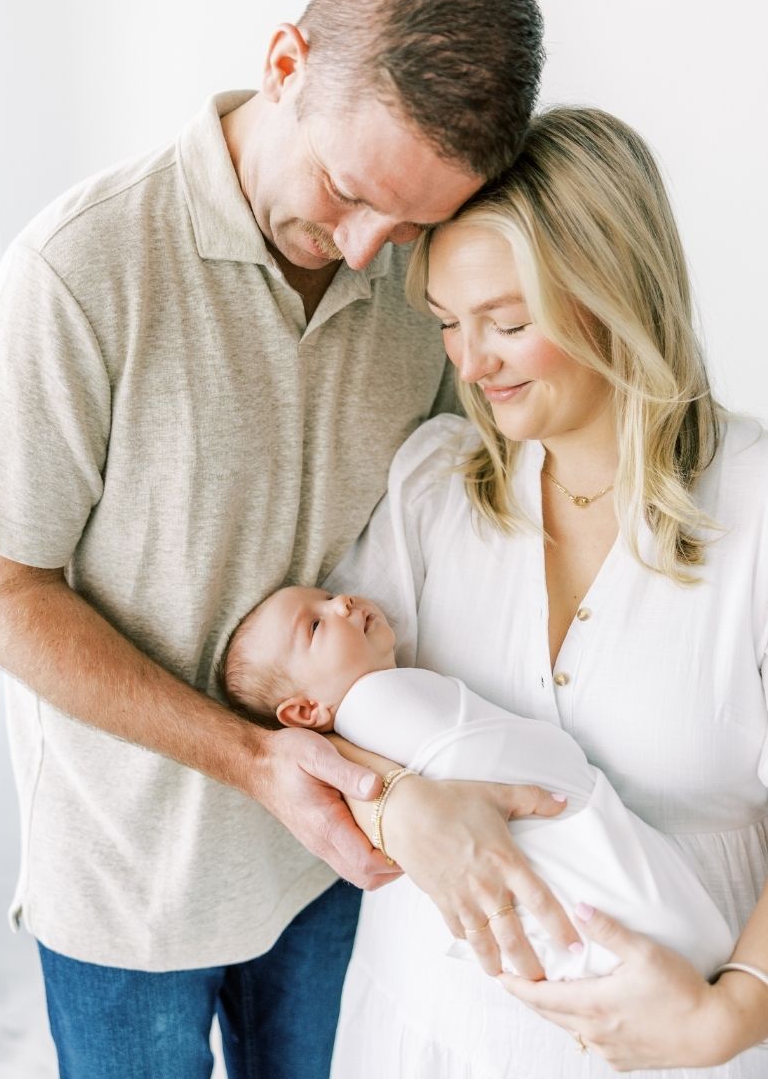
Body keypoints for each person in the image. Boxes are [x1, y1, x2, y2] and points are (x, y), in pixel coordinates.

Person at [0, 0, 557, 1078]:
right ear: (283, 65)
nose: (365, 252)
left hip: (335, 866)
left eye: (411, 222)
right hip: (128, 895)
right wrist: (250, 761)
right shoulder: (78, 273)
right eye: (345, 194)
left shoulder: (415, 279)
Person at [324, 106, 768, 1075]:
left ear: (615, 296)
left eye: (506, 323)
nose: (465, 362)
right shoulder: (433, 483)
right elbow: (319, 715)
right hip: (423, 1029)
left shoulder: (755, 510)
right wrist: (396, 807)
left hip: (670, 1046)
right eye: (445, 322)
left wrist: (729, 1016)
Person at [220, 583, 734, 982]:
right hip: (554, 828)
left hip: (551, 826)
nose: (342, 603)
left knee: (652, 940)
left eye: (329, 597)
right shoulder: (378, 705)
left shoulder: (381, 717)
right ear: (306, 711)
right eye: (315, 625)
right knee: (662, 930)